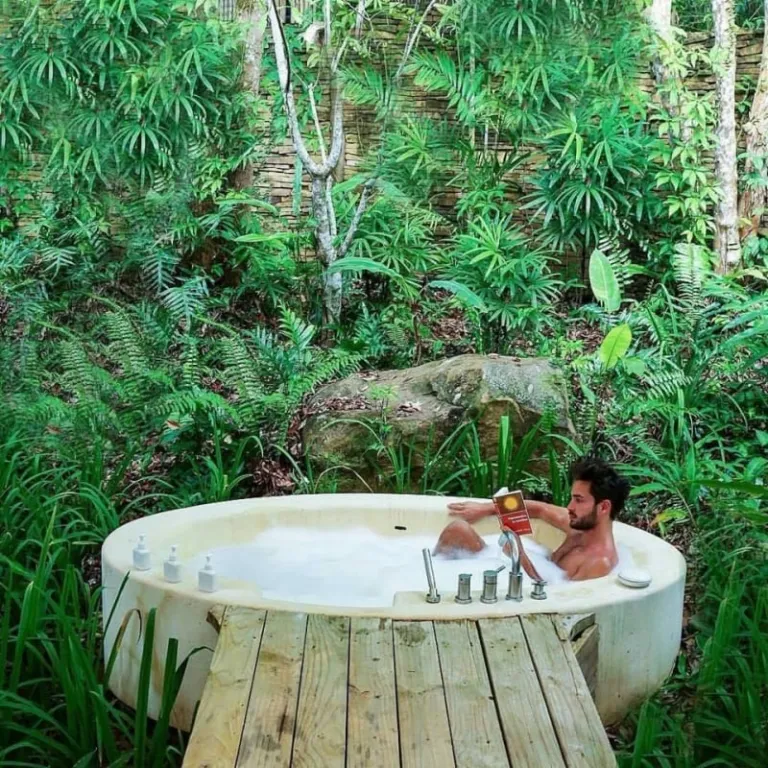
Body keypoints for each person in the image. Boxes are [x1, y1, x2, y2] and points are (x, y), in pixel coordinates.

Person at [434, 457, 631, 582]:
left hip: (524, 593)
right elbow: (539, 509)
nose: (570, 507)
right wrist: (485, 509)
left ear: (603, 507)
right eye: (572, 498)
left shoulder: (598, 563)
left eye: (578, 500)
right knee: (458, 530)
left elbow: (555, 601)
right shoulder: (579, 526)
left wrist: (519, 555)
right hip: (516, 572)